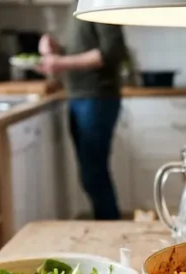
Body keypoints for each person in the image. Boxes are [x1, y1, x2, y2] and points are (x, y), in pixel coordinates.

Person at [40, 15, 128, 220]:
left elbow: (112, 51)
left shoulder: (99, 3)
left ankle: (110, 233)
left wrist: (60, 62)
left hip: (96, 97)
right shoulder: (77, 5)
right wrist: (59, 49)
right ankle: (108, 230)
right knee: (91, 176)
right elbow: (85, 48)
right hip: (80, 96)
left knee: (94, 175)